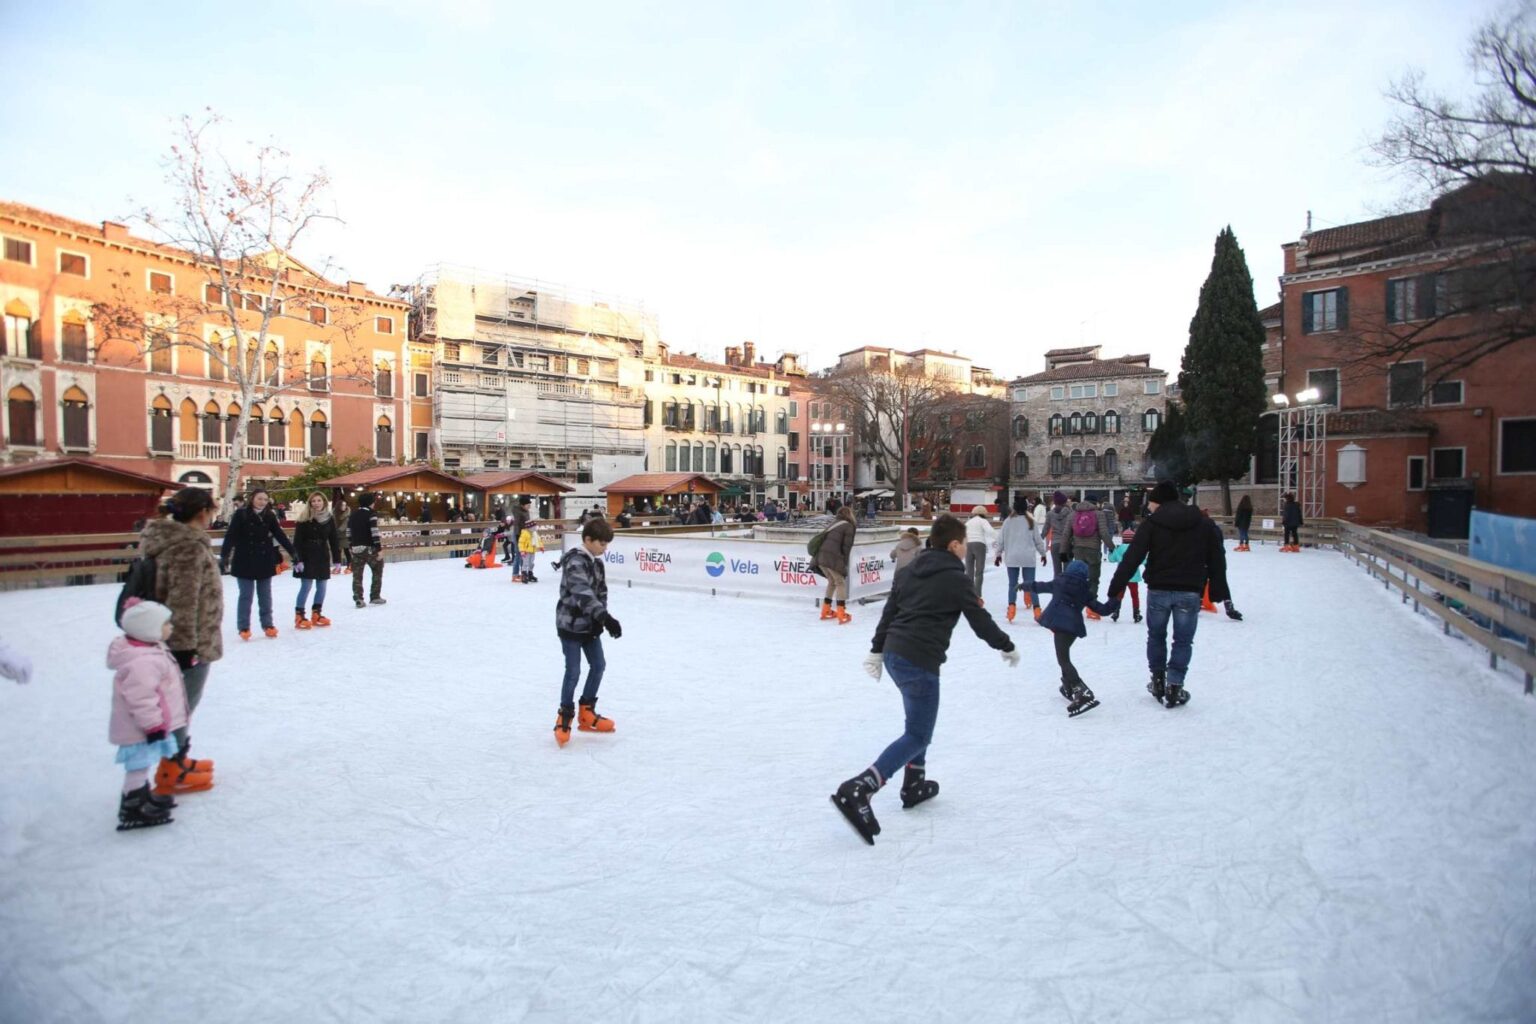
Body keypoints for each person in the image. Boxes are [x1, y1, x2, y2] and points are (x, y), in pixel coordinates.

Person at [830, 514, 1019, 845]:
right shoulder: (956, 578)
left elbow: (890, 613)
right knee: (918, 733)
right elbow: (979, 619)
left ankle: (914, 783)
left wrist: (877, 651)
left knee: (915, 725)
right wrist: (1006, 645)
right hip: (919, 661)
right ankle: (860, 787)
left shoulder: (907, 571)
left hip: (895, 655)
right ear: (955, 544)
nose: (963, 553)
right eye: (961, 546)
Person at [1106, 481, 1230, 709]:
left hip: (1159, 590)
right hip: (1189, 590)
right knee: (1182, 640)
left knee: (1156, 636)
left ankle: (1158, 680)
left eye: (1151, 502)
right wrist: (1219, 590)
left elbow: (1132, 557)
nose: (1149, 507)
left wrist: (1116, 587)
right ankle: (1175, 685)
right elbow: (1217, 557)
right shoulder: (1203, 523)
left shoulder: (1152, 524)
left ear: (1159, 501)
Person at [140, 487, 221, 795]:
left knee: (178, 705)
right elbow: (183, 600)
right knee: (181, 706)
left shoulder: (168, 539)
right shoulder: (187, 546)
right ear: (202, 513)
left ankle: (178, 760)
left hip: (174, 638)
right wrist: (187, 648)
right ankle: (172, 767)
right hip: (188, 642)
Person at [108, 599, 187, 830]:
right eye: (166, 624)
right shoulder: (142, 661)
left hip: (146, 725)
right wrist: (153, 725)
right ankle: (132, 806)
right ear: (148, 629)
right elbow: (141, 698)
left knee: (142, 765)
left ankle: (142, 796)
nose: (170, 627)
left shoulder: (149, 649)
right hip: (140, 728)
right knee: (138, 765)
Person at [553, 517, 621, 746]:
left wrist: (601, 620)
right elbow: (582, 593)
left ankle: (587, 711)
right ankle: (565, 714)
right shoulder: (575, 562)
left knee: (599, 665)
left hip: (589, 626)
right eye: (602, 544)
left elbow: (601, 594)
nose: (605, 548)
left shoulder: (597, 563)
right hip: (570, 626)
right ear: (588, 539)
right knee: (573, 671)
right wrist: (604, 617)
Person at [1021, 560, 1118, 717]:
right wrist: (1115, 601)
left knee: (1063, 660)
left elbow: (1041, 586)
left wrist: (1025, 585)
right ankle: (1067, 686)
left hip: (1060, 626)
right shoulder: (1084, 591)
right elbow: (1103, 609)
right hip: (1072, 628)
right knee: (1064, 657)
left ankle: (1082, 691)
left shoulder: (1060, 582)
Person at [219, 488, 296, 640]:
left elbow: (279, 534)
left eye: (265, 500)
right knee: (246, 595)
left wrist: (293, 552)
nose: (262, 502)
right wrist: (224, 556)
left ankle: (268, 624)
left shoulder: (269, 515)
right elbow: (231, 536)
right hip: (244, 559)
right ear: (253, 498)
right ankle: (244, 627)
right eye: (260, 498)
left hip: (264, 559)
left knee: (265, 595)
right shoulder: (241, 514)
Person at [291, 492, 343, 629]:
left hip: (322, 554)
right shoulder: (304, 519)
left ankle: (317, 612)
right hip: (307, 555)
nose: (316, 503)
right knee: (306, 586)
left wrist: (337, 560)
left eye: (319, 500)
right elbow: (297, 541)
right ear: (310, 503)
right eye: (313, 501)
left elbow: (334, 540)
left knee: (322, 586)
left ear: (324, 502)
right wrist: (298, 560)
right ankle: (299, 614)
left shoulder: (329, 518)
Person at [993, 497, 1047, 623]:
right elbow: (1038, 540)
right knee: (1031, 584)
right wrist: (1043, 554)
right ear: (1026, 508)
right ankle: (1037, 611)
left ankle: (1011, 609)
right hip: (1028, 557)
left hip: (1012, 557)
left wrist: (998, 555)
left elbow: (1001, 540)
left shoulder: (1008, 522)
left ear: (1014, 508)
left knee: (1013, 583)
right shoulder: (1031, 522)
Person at [1066, 494, 1118, 619]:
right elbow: (1104, 533)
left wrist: (1065, 550)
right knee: (1093, 580)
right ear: (1095, 503)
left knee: (1079, 580)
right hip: (1093, 550)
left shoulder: (1074, 513)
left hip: (1078, 550)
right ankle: (1092, 609)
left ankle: (1076, 606)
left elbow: (1066, 533)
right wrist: (1111, 547)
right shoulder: (1098, 514)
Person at [813, 506, 858, 624]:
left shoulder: (834, 523)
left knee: (832, 582)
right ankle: (841, 613)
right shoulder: (849, 526)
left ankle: (826, 610)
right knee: (840, 582)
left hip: (821, 557)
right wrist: (844, 564)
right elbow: (846, 547)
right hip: (832, 558)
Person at [347, 492, 386, 608]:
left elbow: (348, 532)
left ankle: (358, 598)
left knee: (357, 574)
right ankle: (375, 596)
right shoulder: (371, 514)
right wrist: (379, 549)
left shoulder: (353, 515)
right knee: (378, 568)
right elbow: (374, 532)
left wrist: (350, 546)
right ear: (371, 503)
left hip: (356, 548)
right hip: (369, 548)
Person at [1106, 528, 1143, 624]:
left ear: (1123, 539)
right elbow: (1144, 560)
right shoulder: (1136, 549)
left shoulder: (1119, 548)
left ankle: (1115, 612)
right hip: (1134, 576)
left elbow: (1111, 559)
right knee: (1135, 595)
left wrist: (1111, 552)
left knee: (1119, 595)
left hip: (1121, 576)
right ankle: (1136, 614)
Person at [963, 506, 996, 602]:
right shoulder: (982, 521)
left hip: (968, 545)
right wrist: (1000, 539)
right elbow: (990, 531)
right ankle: (977, 594)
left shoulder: (968, 522)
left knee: (969, 571)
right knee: (979, 571)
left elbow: (963, 534)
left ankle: (968, 594)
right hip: (979, 545)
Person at [1045, 491, 1073, 579]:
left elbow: (1045, 529)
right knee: (1067, 570)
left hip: (1055, 545)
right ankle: (1066, 590)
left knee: (1057, 571)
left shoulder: (1050, 514)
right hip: (1066, 544)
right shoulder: (1070, 513)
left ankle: (1057, 590)